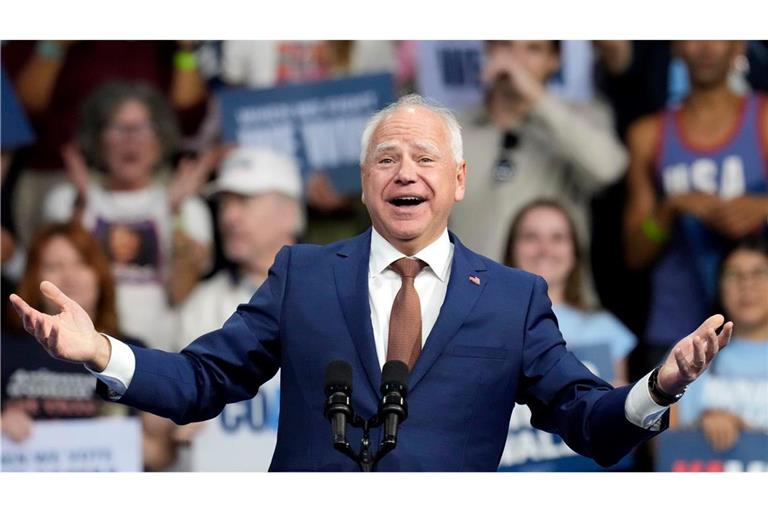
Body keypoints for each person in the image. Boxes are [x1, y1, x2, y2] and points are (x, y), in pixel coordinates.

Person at [10, 94, 732, 472]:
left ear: (457, 180)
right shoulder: (303, 273)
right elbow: (201, 381)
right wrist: (101, 351)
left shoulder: (515, 300)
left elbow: (590, 426)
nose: (404, 172)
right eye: (386, 159)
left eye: (423, 157)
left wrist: (659, 387)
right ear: (363, 185)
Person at [623, 40, 768, 370]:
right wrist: (669, 210)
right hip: (675, 331)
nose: (705, 46)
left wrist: (762, 208)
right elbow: (634, 252)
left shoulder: (763, 119)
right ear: (675, 47)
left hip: (759, 329)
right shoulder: (648, 134)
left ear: (739, 46)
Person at [40, 81, 216, 349]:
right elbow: (53, 289)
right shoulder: (66, 201)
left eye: (143, 128)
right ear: (97, 139)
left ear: (161, 139)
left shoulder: (189, 208)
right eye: (118, 128)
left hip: (157, 354)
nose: (130, 139)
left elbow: (181, 292)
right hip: (82, 355)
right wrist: (81, 207)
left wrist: (175, 212)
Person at [1, 222, 177, 471]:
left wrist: (130, 440)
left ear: (99, 275)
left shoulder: (129, 351)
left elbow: (160, 457)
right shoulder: (6, 346)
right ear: (33, 277)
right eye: (54, 266)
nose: (70, 277)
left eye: (81, 263)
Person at [171, 147, 303, 470]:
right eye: (225, 204)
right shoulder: (200, 305)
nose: (229, 216)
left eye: (244, 201)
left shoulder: (343, 291)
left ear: (289, 212)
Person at [450, 40, 627, 275]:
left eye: (533, 49)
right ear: (488, 50)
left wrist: (537, 99)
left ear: (555, 61)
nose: (517, 60)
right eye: (506, 45)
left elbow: (610, 169)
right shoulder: (450, 128)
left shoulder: (585, 117)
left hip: (554, 303)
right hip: (470, 300)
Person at [505, 199, 636, 386]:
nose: (545, 249)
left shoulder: (605, 328)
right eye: (531, 237)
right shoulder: (485, 322)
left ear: (575, 251)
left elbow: (612, 404)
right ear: (512, 249)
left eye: (557, 238)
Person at [676, 236, 768, 452]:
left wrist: (746, 433)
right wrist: (700, 427)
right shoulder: (689, 351)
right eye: (734, 275)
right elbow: (659, 446)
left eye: (759, 273)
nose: (746, 285)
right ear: (719, 286)